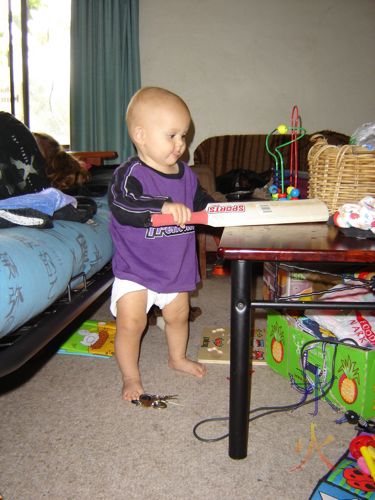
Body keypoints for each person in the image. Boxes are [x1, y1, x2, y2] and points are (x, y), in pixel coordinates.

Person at [108, 86, 214, 401]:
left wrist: (217, 210)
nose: (181, 144)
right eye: (172, 136)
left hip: (175, 269)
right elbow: (122, 206)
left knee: (178, 316)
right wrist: (162, 206)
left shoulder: (187, 175)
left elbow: (202, 202)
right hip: (135, 270)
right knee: (132, 322)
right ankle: (130, 376)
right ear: (140, 135)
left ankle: (177, 357)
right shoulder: (130, 175)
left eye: (184, 136)